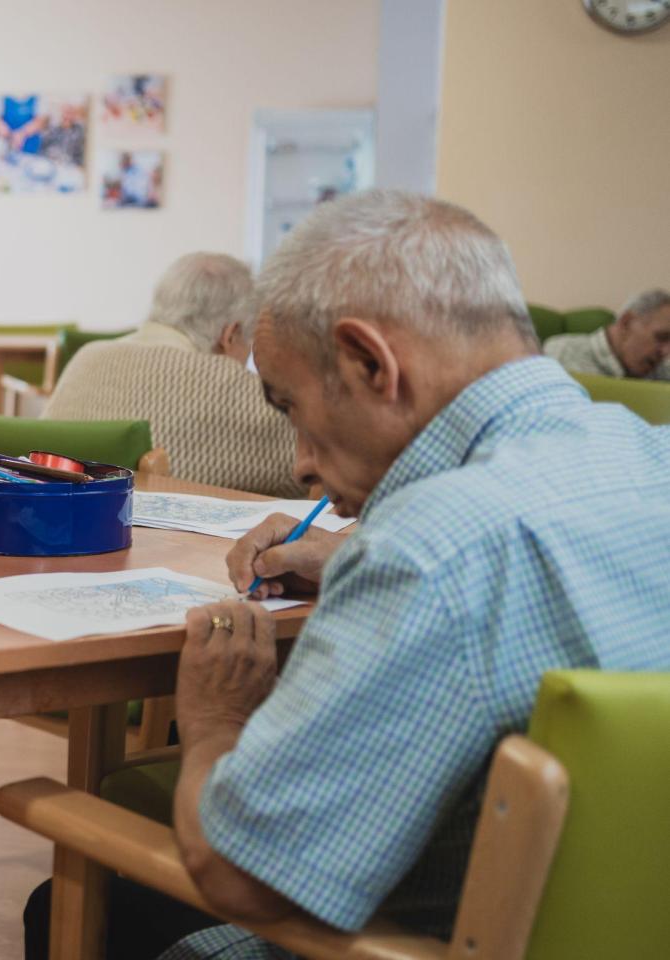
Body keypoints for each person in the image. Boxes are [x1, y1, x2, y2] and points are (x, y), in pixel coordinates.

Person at [127, 191, 670, 959]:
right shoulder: (650, 453)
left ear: (369, 362)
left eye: (288, 407)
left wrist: (217, 720)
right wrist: (355, 557)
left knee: (88, 898)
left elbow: (239, 873)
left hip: (429, 938)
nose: (300, 463)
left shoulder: (430, 548)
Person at [44, 253, 301, 497]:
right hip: (171, 540)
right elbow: (320, 468)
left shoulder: (86, 356)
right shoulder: (234, 386)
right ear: (230, 335)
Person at [543, 288, 670, 380]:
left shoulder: (661, 371)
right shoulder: (563, 354)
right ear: (627, 322)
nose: (666, 352)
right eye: (661, 337)